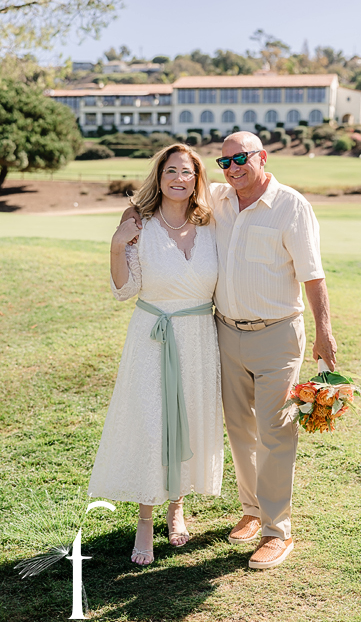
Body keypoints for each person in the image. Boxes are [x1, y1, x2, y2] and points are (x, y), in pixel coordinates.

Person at [123, 131, 337, 569]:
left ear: (261, 157)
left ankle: (279, 530)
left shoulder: (291, 206)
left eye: (241, 158)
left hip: (277, 334)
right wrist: (131, 211)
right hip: (224, 331)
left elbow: (313, 274)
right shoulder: (218, 200)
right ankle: (252, 512)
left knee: (276, 430)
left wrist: (324, 331)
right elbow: (172, 193)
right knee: (239, 430)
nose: (233, 167)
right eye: (225, 162)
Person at [89, 144, 223, 566]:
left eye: (187, 171)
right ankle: (146, 520)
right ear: (159, 176)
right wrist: (116, 244)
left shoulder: (213, 224)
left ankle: (177, 506)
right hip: (152, 339)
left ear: (197, 178)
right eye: (171, 171)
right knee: (152, 427)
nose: (179, 178)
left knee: (189, 425)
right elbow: (125, 290)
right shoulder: (140, 225)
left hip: (200, 339)